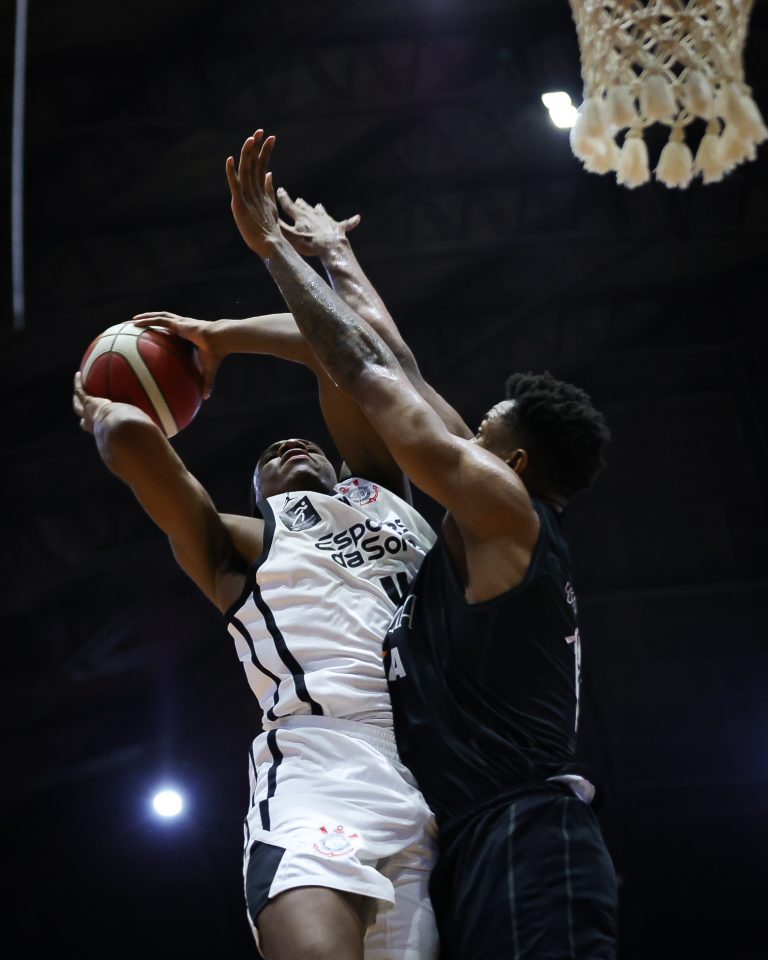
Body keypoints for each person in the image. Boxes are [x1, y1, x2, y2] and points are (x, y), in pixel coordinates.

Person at [224, 127, 619, 959]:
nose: (463, 433)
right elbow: (394, 360)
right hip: (465, 836)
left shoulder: (506, 515)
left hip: (526, 828)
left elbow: (369, 375)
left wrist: (273, 253)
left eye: (481, 434)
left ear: (511, 466)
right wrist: (337, 255)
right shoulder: (496, 512)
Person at [73, 300, 444, 956]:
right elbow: (131, 440)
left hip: (439, 776)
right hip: (322, 764)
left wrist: (223, 336)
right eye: (270, 455)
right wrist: (108, 408)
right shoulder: (242, 543)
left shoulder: (382, 494)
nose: (290, 443)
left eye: (305, 443)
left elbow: (336, 345)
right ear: (260, 497)